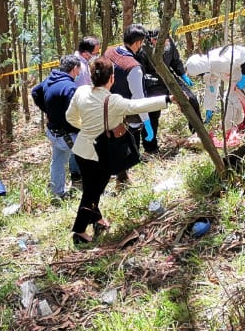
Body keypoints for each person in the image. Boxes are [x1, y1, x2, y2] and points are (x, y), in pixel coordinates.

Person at [66, 57, 170, 245]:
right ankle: (79, 232)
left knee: (95, 188)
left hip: (82, 149)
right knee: (91, 192)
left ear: (91, 77)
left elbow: (70, 116)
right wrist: (167, 99)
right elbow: (138, 105)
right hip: (98, 153)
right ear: (112, 78)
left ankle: (97, 220)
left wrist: (87, 127)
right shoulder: (112, 100)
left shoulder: (81, 91)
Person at [135, 27, 200, 147]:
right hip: (153, 82)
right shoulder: (143, 50)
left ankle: (198, 133)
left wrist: (183, 74)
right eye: (162, 41)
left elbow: (175, 60)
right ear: (154, 41)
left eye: (167, 40)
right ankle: (151, 146)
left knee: (192, 100)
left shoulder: (169, 43)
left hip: (170, 77)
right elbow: (141, 72)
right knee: (153, 111)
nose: (166, 43)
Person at [31, 54, 84, 199]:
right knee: (92, 158)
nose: (79, 73)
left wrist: (48, 110)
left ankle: (58, 194)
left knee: (58, 162)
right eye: (79, 69)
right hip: (68, 135)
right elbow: (75, 114)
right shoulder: (70, 87)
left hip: (53, 132)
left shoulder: (49, 80)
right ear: (74, 69)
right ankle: (96, 191)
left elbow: (35, 91)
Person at [103, 24, 154, 157]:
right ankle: (129, 166)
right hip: (127, 111)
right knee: (131, 140)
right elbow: (139, 98)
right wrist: (147, 123)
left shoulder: (109, 52)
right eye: (142, 43)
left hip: (109, 106)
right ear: (137, 43)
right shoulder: (133, 68)